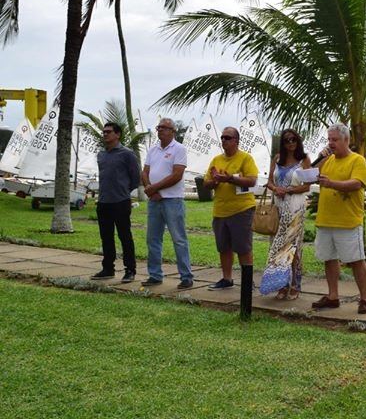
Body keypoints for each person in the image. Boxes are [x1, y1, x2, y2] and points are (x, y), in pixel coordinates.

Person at [311, 123, 366, 314]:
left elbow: (357, 183)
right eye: (329, 139)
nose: (331, 143)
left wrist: (331, 184)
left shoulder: (357, 160)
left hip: (348, 221)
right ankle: (332, 296)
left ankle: (364, 299)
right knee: (329, 259)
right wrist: (320, 159)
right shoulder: (327, 161)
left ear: (347, 140)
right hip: (326, 219)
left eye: (335, 140)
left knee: (356, 260)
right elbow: (312, 176)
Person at [203, 126, 258, 318]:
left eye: (228, 137)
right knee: (223, 246)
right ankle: (226, 278)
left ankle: (247, 280)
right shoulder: (216, 160)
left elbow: (252, 181)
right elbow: (206, 183)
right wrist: (216, 181)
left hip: (241, 210)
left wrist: (230, 179)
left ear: (236, 140)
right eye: (222, 137)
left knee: (243, 247)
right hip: (220, 210)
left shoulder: (245, 158)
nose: (224, 140)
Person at [141, 118, 194, 289]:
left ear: (173, 131)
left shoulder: (179, 149)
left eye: (164, 128)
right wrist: (150, 189)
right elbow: (145, 171)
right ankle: (155, 275)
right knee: (153, 238)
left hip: (172, 200)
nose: (160, 130)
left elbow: (177, 175)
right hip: (154, 201)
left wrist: (153, 188)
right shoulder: (153, 149)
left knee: (179, 239)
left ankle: (186, 276)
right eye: (159, 127)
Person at [260, 129, 311, 300]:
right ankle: (281, 285)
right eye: (287, 140)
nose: (290, 143)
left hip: (295, 209)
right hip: (278, 208)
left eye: (293, 140)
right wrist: (276, 189)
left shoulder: (304, 159)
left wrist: (288, 190)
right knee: (277, 248)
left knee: (292, 248)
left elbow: (307, 186)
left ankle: (295, 285)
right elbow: (269, 182)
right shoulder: (277, 159)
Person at [90, 122, 141, 283]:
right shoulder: (101, 155)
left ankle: (130, 270)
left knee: (125, 237)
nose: (105, 134)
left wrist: (125, 191)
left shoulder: (127, 154)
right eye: (104, 132)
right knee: (106, 237)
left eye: (109, 132)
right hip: (104, 202)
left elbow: (135, 177)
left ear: (118, 134)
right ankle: (107, 269)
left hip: (120, 202)